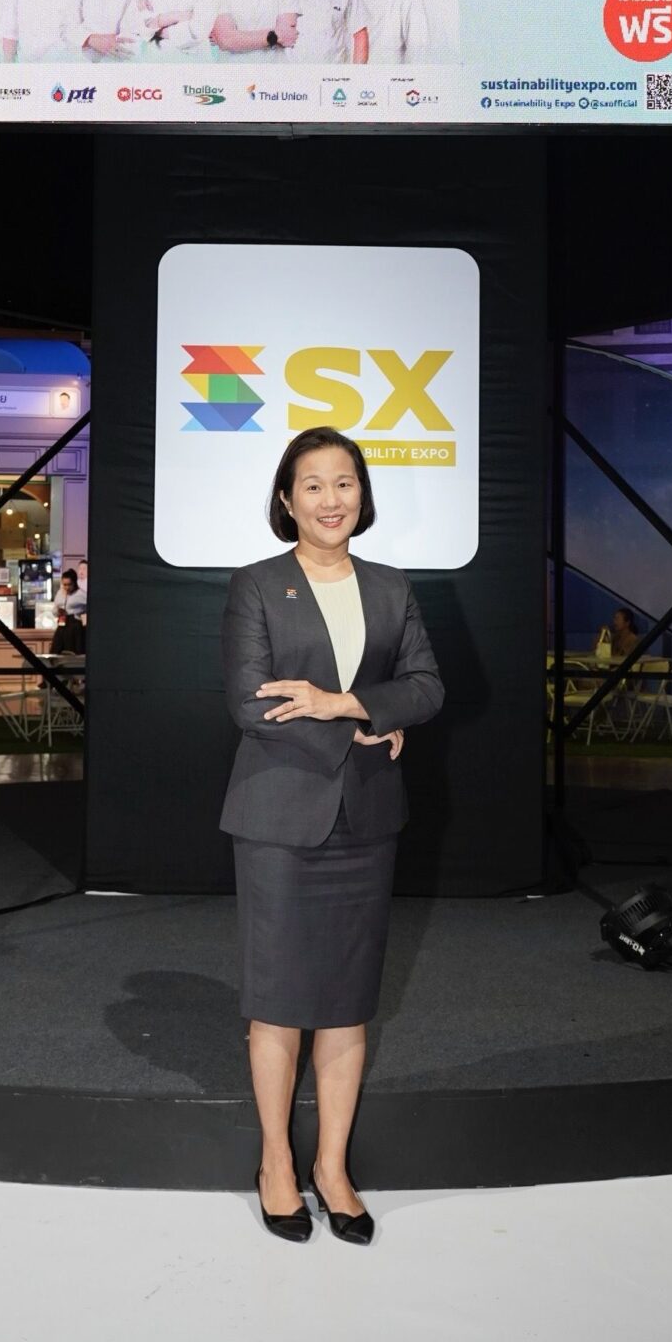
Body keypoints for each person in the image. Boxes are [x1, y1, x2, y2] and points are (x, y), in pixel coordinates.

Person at [221, 426, 444, 1245]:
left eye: (343, 482)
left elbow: (426, 686)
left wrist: (349, 704)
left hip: (368, 819)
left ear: (362, 493)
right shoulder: (257, 585)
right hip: (279, 819)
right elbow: (251, 703)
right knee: (279, 1003)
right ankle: (277, 1163)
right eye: (312, 485)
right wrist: (355, 724)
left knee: (349, 1005)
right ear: (287, 500)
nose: (330, 499)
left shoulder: (390, 587)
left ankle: (333, 1168)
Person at [48, 566, 87, 656]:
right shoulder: (60, 593)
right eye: (64, 585)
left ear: (74, 583)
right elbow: (54, 609)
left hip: (75, 625)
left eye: (69, 584)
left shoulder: (81, 594)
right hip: (62, 624)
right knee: (56, 650)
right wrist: (58, 611)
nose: (67, 587)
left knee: (74, 652)